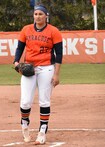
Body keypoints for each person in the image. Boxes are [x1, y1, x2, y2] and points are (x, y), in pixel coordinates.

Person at [13, 4, 63, 145]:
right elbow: (20, 47)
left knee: (44, 101)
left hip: (47, 68)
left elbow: (59, 54)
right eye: (36, 14)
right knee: (25, 101)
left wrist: (57, 74)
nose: (38, 16)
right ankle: (24, 124)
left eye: (41, 14)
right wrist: (16, 62)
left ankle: (42, 132)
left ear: (46, 16)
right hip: (29, 68)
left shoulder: (54, 31)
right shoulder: (26, 29)